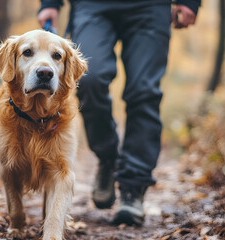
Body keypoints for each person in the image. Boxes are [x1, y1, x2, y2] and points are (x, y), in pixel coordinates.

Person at [38, 0, 200, 226]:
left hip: (151, 6)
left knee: (144, 91)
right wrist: (50, 3)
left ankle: (133, 188)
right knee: (88, 79)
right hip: (91, 5)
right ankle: (108, 157)